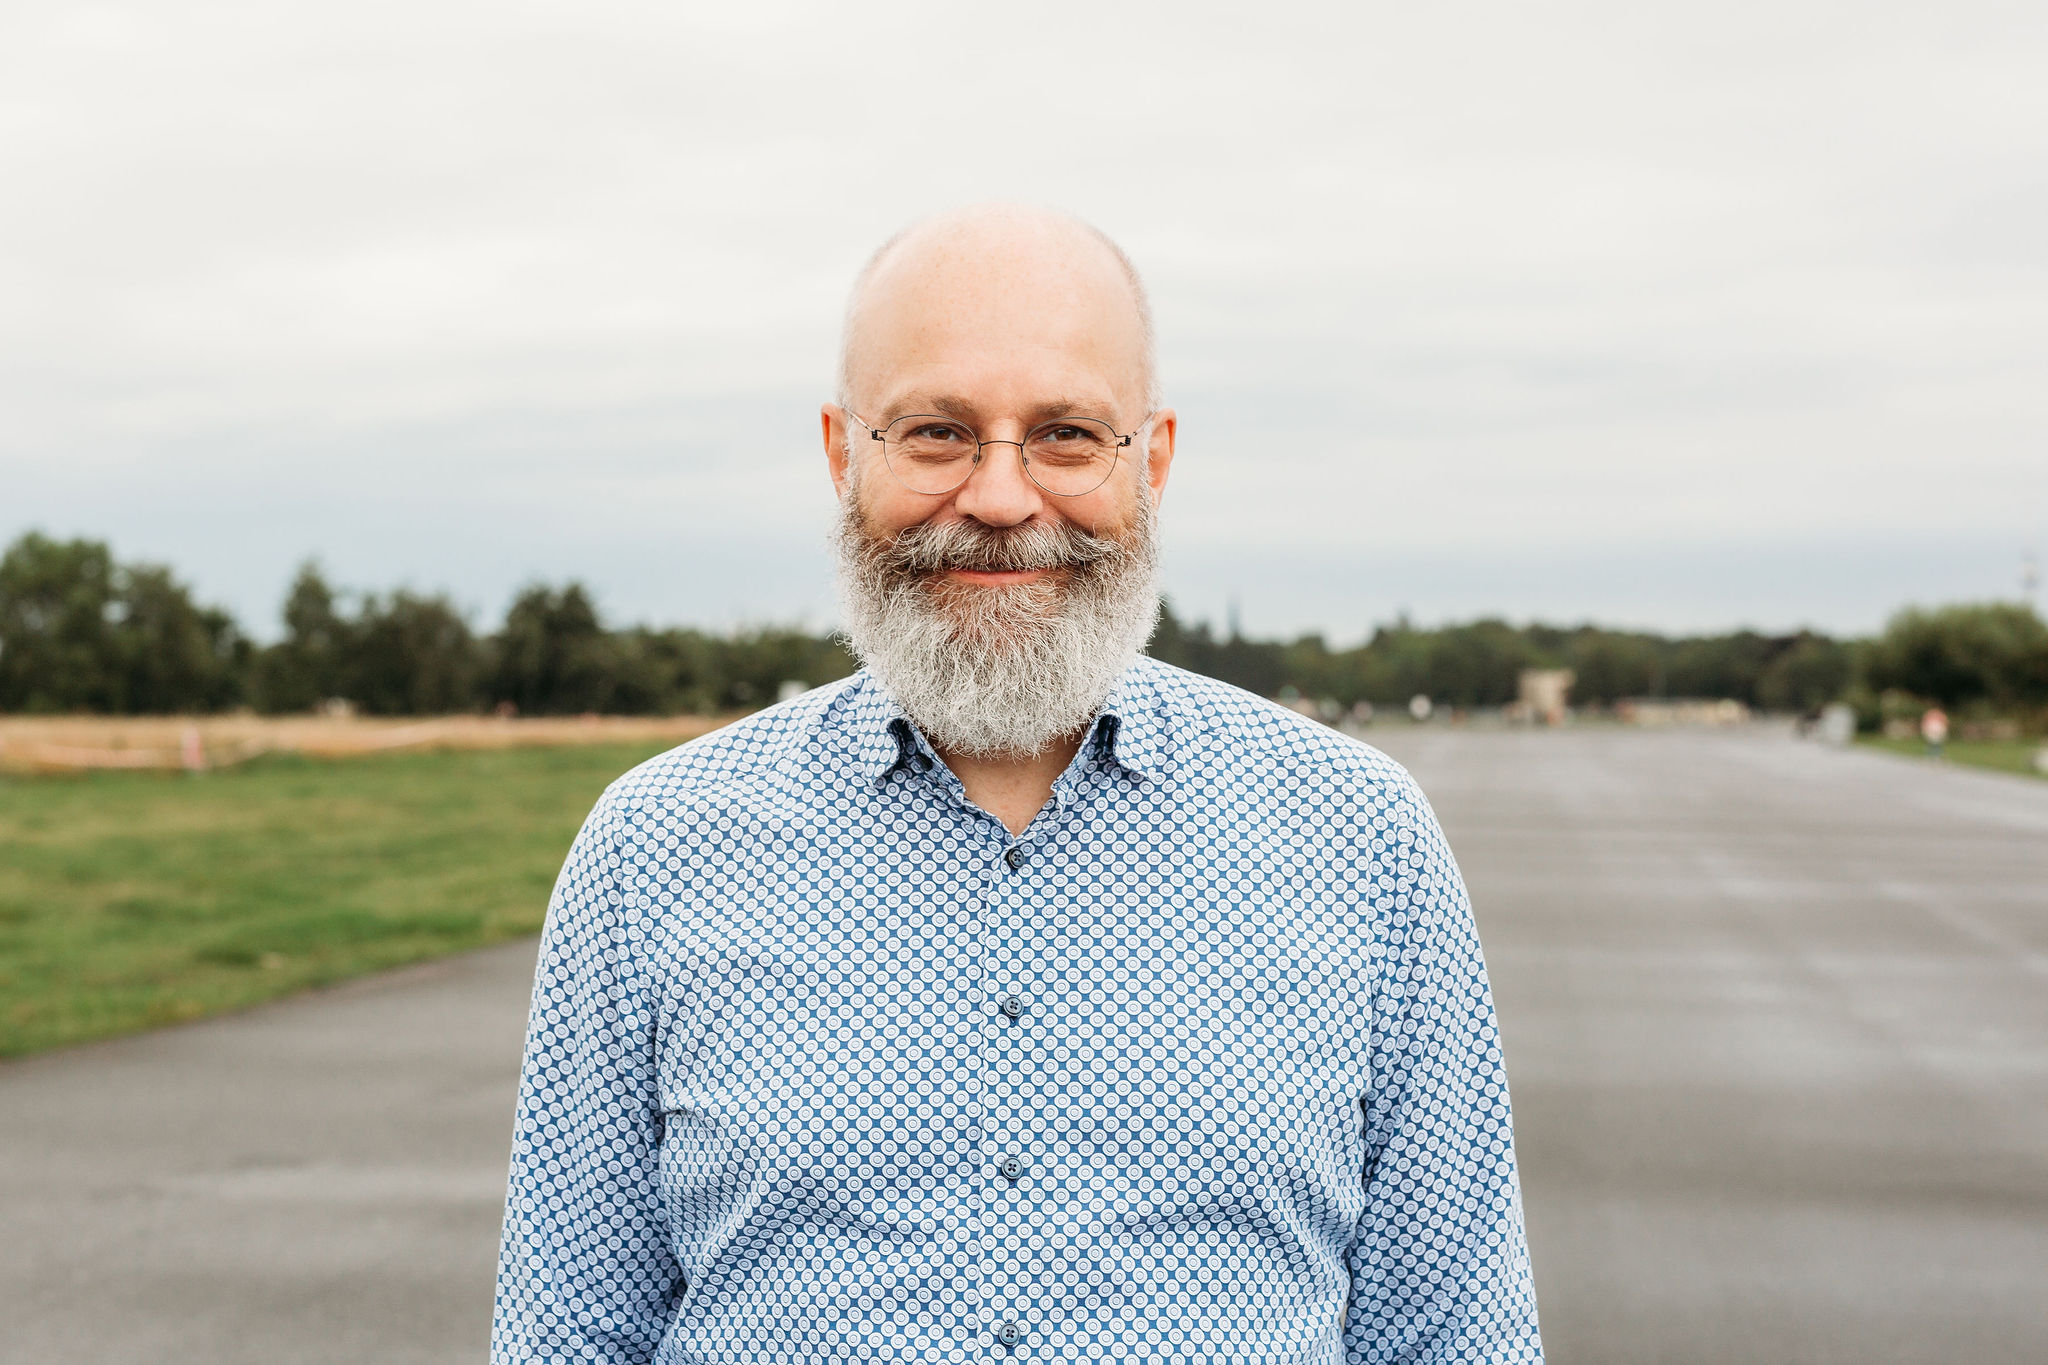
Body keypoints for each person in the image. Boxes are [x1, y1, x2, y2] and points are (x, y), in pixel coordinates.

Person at [491, 204, 1542, 1363]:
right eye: (937, 432)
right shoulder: (657, 851)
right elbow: (569, 1336)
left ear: (1154, 458)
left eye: (1065, 436)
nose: (999, 498)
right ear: (844, 455)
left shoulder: (1358, 842)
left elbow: (1453, 1335)